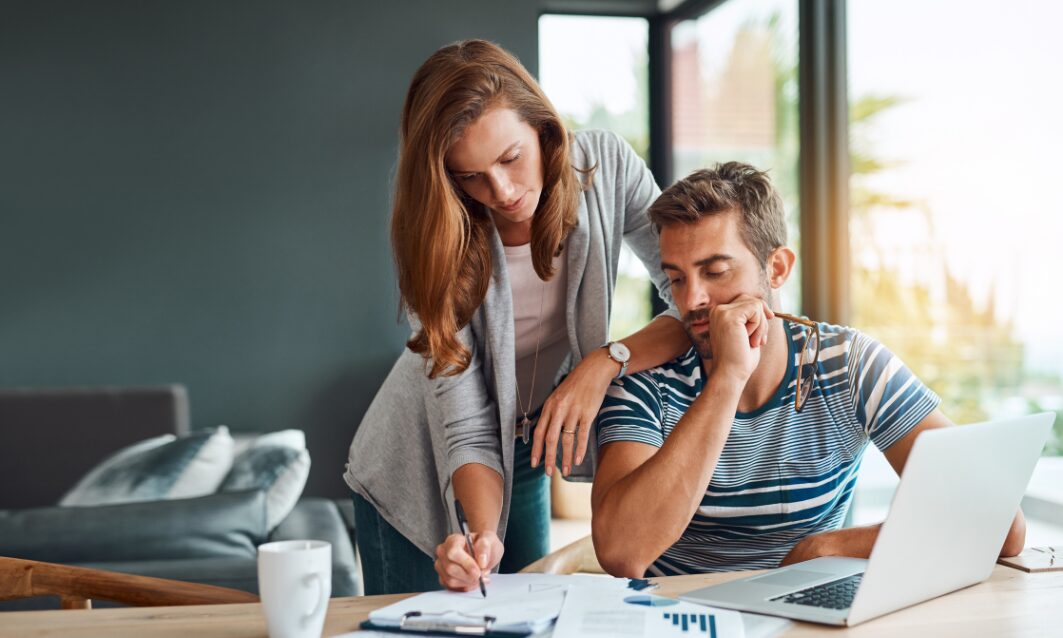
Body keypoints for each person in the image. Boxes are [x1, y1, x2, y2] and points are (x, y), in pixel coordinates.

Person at [343, 39, 689, 594]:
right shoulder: (437, 241)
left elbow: (689, 296)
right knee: (451, 609)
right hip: (417, 464)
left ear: (543, 129)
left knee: (527, 615)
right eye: (470, 177)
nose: (500, 192)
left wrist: (605, 362)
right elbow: (464, 422)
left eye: (509, 159)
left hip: (525, 446)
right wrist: (479, 536)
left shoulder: (606, 169)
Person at [590, 162, 1026, 577]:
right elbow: (621, 554)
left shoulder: (848, 364)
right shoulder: (645, 384)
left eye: (716, 271)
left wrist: (825, 548)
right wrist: (728, 378)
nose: (691, 301)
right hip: (681, 618)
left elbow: (1000, 524)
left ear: (776, 269)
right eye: (677, 279)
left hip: (806, 619)